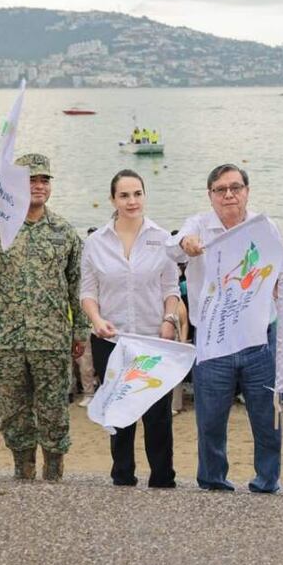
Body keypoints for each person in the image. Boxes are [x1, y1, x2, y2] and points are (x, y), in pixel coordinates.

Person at [0, 153, 88, 482]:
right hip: (6, 341)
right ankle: (24, 473)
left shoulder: (64, 231)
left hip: (51, 340)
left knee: (54, 412)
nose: (39, 186)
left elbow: (77, 283)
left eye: (44, 180)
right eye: (31, 180)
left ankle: (54, 474)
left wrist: (79, 332)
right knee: (14, 414)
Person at [166, 163, 283, 493]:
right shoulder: (199, 224)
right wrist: (187, 243)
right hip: (213, 339)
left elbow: (282, 275)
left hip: (260, 337)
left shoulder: (265, 226)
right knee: (211, 419)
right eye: (220, 189)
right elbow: (171, 245)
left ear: (247, 191)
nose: (229, 194)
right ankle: (213, 481)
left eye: (235, 187)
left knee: (266, 419)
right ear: (210, 195)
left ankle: (266, 482)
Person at [80, 169, 181, 488]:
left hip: (153, 339)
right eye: (124, 195)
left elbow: (171, 288)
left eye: (137, 193)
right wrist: (96, 320)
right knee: (118, 411)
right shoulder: (96, 243)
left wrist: (169, 320)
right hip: (112, 340)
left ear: (145, 196)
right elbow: (87, 291)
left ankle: (163, 478)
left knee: (158, 415)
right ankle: (122, 475)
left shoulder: (161, 238)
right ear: (113, 199)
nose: (132, 201)